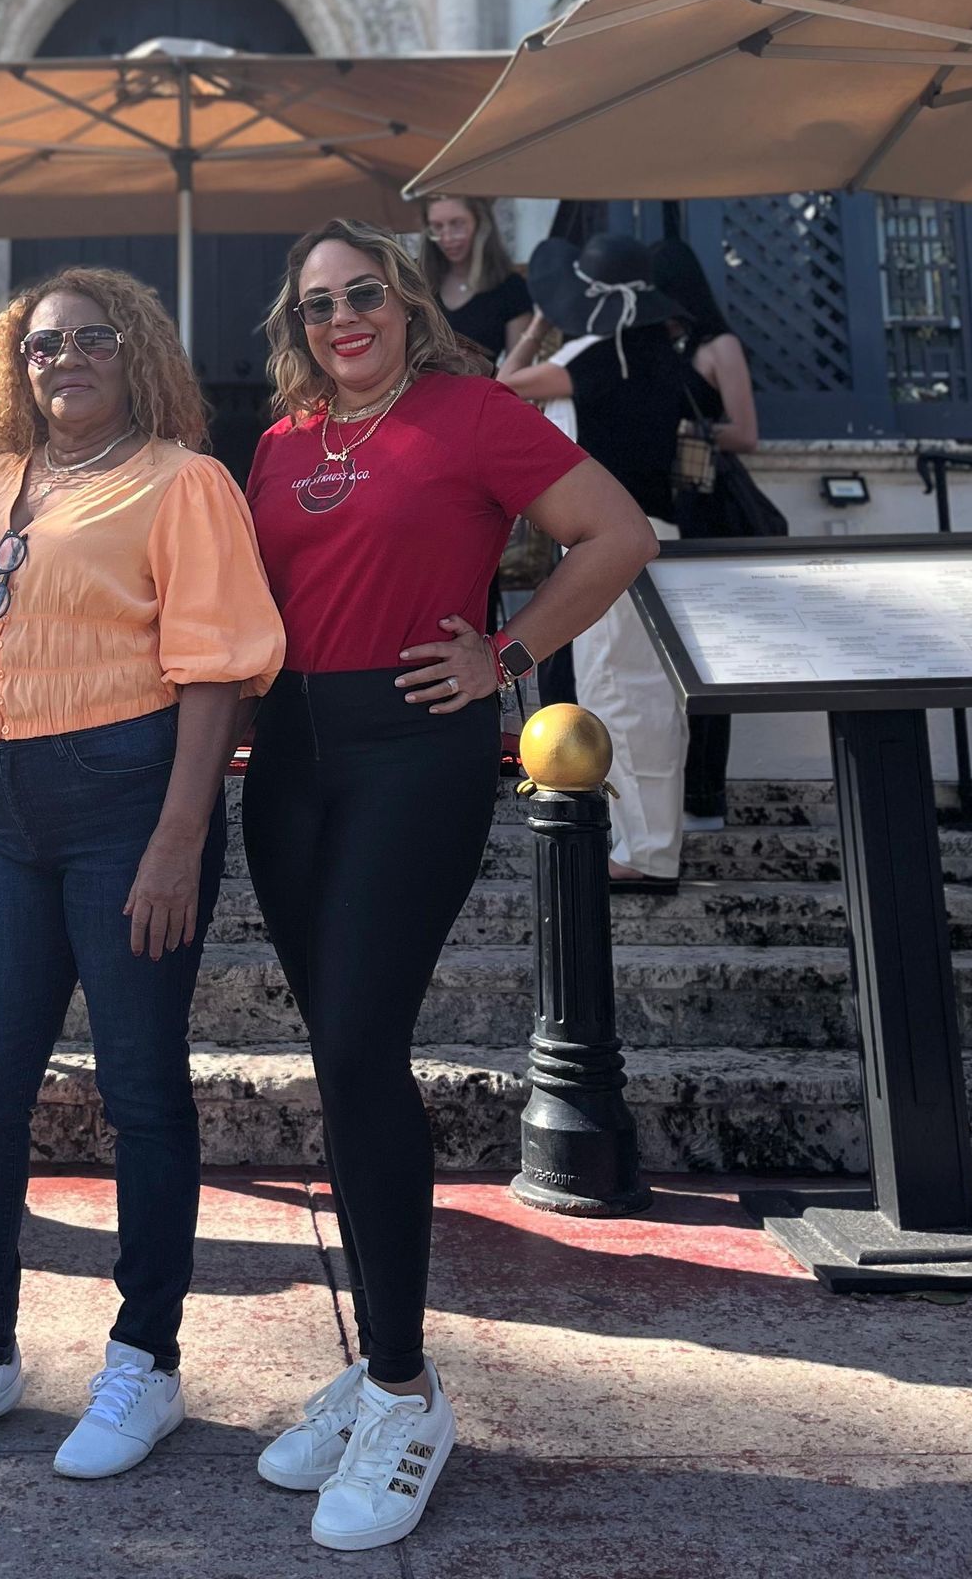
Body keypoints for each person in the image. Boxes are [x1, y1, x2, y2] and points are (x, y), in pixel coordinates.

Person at [242, 218, 655, 1553]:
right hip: (289, 764)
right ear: (296, 328)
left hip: (413, 749)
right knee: (337, 1060)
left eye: (365, 295)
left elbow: (616, 533)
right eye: (318, 307)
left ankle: (411, 1395)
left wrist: (512, 654)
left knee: (364, 1044)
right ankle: (374, 1370)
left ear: (410, 305)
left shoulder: (472, 414)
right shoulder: (282, 445)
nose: (342, 319)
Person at [0, 267, 284, 1481]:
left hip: (129, 813)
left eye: (93, 339)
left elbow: (214, 674)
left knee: (144, 1092)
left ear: (138, 352)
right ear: (16, 364)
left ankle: (145, 1359)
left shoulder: (186, 484)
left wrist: (175, 838)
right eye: (43, 344)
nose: (67, 359)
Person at [498, 234, 693, 893]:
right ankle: (647, 845)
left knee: (623, 695)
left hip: (616, 547)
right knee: (643, 697)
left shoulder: (598, 353)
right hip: (654, 535)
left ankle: (645, 852)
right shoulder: (655, 353)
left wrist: (541, 325)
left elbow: (500, 395)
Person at [651, 234, 772, 833]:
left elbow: (746, 432)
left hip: (711, 506)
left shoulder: (716, 344)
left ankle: (705, 796)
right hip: (671, 503)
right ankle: (676, 792)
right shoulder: (655, 342)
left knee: (709, 658)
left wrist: (679, 429)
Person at [420, 195, 532, 362]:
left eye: (457, 224)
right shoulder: (419, 282)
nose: (447, 238)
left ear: (480, 223)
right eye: (437, 227)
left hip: (483, 386)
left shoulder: (511, 288)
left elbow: (517, 369)